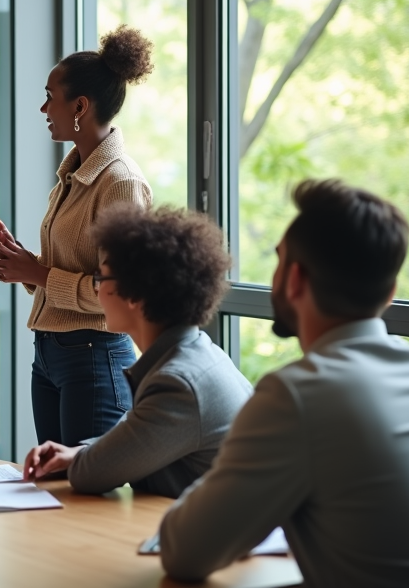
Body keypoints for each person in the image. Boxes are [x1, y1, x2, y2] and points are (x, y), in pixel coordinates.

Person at [160, 180, 409, 588]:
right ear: (389, 294)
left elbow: (183, 551)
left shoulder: (298, 394)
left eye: (278, 261)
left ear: (294, 279)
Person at [0, 25, 153, 445]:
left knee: (84, 501)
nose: (43, 108)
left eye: (49, 97)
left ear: (79, 106)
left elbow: (123, 291)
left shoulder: (121, 183)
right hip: (51, 356)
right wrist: (19, 264)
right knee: (53, 494)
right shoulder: (73, 176)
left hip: (94, 357)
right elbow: (64, 273)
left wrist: (37, 275)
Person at [23, 204, 252, 498]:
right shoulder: (195, 355)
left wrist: (79, 459)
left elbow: (91, 474)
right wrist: (77, 452)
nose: (98, 291)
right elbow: (130, 439)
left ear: (134, 294)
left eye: (100, 278)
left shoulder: (177, 382)